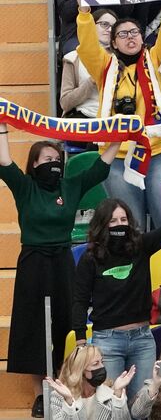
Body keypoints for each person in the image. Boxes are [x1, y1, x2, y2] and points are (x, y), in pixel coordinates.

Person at [1, 128, 115, 415]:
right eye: (47, 159)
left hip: (62, 261)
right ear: (34, 163)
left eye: (57, 159)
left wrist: (118, 137)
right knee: (34, 327)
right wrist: (2, 126)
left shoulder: (70, 186)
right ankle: (41, 394)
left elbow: (100, 168)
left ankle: (64, 389)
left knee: (66, 322)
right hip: (33, 262)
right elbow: (3, 160)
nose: (54, 164)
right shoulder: (25, 186)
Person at [74, 0, 161, 229]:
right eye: (122, 34)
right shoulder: (104, 67)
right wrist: (84, 12)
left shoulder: (156, 60)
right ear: (113, 42)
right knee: (130, 225)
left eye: (134, 32)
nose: (130, 37)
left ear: (143, 38)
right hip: (117, 157)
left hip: (159, 153)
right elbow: (89, 46)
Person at [72, 198, 161, 397]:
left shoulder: (142, 246)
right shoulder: (90, 257)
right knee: (110, 402)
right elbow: (79, 300)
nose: (119, 224)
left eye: (123, 219)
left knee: (142, 404)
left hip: (142, 339)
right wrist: (81, 342)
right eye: (113, 221)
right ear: (102, 224)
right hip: (107, 341)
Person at [46, 346, 136, 420]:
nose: (102, 367)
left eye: (102, 362)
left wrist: (118, 393)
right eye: (95, 364)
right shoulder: (58, 397)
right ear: (80, 371)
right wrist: (69, 401)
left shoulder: (112, 394)